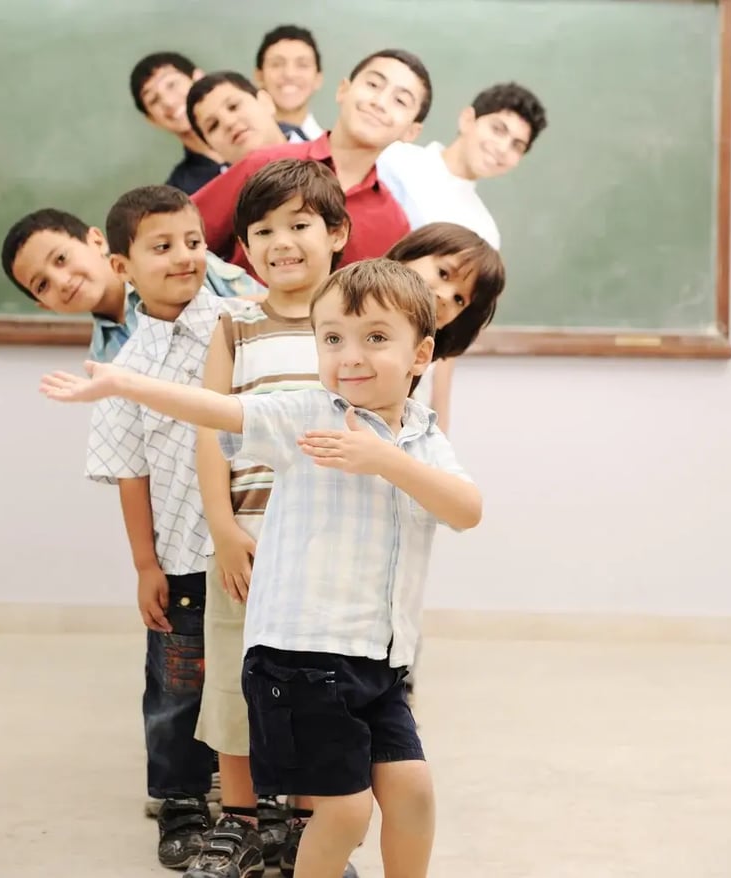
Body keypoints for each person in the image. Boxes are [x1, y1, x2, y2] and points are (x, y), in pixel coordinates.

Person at [40, 258, 483, 878]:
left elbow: (467, 510)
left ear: (421, 354)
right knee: (346, 813)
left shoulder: (424, 438)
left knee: (413, 795)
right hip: (302, 658)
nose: (350, 356)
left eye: (376, 337)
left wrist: (384, 459)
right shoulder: (306, 414)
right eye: (333, 338)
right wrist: (126, 385)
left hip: (380, 660)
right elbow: (218, 410)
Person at [189, 158, 352, 878]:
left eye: (299, 225)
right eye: (262, 231)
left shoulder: (351, 325)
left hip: (328, 544)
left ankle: (311, 824)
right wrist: (224, 531)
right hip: (247, 541)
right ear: (245, 247)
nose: (280, 242)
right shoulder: (235, 325)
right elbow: (208, 430)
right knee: (234, 677)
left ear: (337, 232)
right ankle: (242, 819)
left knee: (321, 685)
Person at [81, 184, 241, 869]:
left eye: (194, 242)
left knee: (256, 675)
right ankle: (179, 797)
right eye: (162, 246)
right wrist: (145, 564)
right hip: (179, 556)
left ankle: (260, 798)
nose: (184, 257)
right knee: (179, 685)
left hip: (250, 546)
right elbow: (130, 472)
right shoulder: (125, 368)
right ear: (122, 266)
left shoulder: (239, 326)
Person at [191, 48, 433, 276]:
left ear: (411, 132)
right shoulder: (264, 163)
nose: (379, 102)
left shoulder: (395, 225)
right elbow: (181, 232)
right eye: (373, 85)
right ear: (343, 90)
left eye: (400, 101)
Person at [1, 208, 262, 362]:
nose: (62, 282)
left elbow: (271, 310)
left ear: (96, 241)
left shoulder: (181, 266)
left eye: (61, 259)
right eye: (42, 285)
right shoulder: (102, 361)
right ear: (44, 305)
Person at [377, 81, 548, 248]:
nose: (503, 148)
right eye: (497, 129)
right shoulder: (389, 156)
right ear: (467, 119)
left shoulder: (482, 235)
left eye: (517, 146)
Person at [387, 222, 505, 432]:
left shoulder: (420, 371)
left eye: (459, 299)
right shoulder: (341, 307)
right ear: (410, 253)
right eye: (443, 273)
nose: (446, 296)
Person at [129, 51, 228, 195]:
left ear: (198, 77)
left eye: (172, 85)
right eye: (154, 100)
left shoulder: (256, 134)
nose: (168, 102)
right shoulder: (179, 193)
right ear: (151, 120)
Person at [185, 71, 306, 168]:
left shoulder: (318, 149)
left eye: (233, 106)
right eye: (213, 125)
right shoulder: (225, 193)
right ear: (211, 148)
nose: (228, 122)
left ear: (266, 101)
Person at [253, 25, 324, 140]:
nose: (289, 74)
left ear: (318, 78)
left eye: (302, 65)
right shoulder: (240, 146)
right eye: (277, 64)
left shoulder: (332, 147)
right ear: (259, 76)